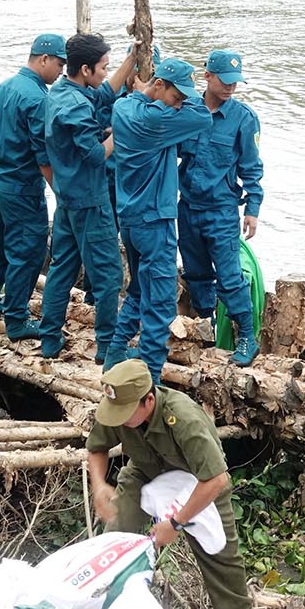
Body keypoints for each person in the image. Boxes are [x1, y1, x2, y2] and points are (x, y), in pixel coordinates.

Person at [87, 359, 268, 609]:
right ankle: (97, 608)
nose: (118, 419)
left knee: (218, 550)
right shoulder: (119, 410)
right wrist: (99, 486)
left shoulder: (182, 417)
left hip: (198, 480)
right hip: (146, 470)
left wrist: (176, 522)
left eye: (124, 412)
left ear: (148, 401)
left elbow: (216, 479)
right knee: (116, 536)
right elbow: (97, 448)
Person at [103, 58, 212, 382]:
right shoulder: (157, 121)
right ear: (159, 85)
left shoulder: (123, 108)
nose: (179, 105)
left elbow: (143, 98)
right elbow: (203, 116)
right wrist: (184, 102)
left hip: (131, 219)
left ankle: (115, 352)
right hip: (156, 221)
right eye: (176, 98)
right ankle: (149, 376)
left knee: (138, 290)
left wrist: (140, 89)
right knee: (162, 302)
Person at [39, 33, 136, 361]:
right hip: (90, 199)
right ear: (85, 69)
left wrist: (132, 58)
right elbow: (95, 156)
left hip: (66, 197)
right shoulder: (78, 105)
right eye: (103, 68)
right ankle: (107, 347)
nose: (107, 74)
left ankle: (50, 337)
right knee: (108, 275)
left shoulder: (63, 91)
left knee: (62, 268)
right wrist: (121, 131)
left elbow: (105, 93)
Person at [0, 34, 65, 340]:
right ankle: (16, 318)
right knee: (27, 250)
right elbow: (43, 156)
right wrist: (59, 192)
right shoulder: (38, 99)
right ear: (43, 59)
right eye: (59, 63)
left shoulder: (4, 87)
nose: (61, 71)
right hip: (22, 185)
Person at [178, 50, 264, 367]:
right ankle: (205, 329)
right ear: (208, 77)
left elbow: (252, 168)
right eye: (225, 81)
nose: (230, 88)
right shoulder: (184, 109)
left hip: (222, 210)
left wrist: (252, 209)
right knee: (197, 274)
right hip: (187, 209)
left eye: (235, 82)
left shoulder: (243, 119)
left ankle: (247, 338)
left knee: (230, 277)